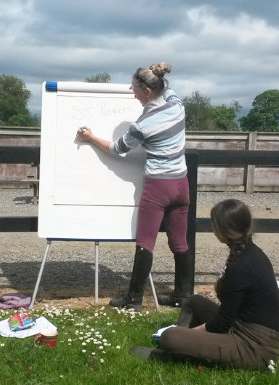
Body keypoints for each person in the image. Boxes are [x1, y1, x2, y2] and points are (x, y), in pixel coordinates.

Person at [76, 62, 192, 310]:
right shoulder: (177, 104)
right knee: (180, 243)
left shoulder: (142, 125)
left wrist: (90, 137)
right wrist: (152, 73)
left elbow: (117, 148)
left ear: (147, 92)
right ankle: (183, 296)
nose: (132, 92)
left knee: (145, 243)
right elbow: (167, 88)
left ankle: (133, 300)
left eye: (135, 89)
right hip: (181, 184)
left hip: (158, 187)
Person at [131, 199, 279, 370]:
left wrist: (189, 334)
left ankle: (174, 348)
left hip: (255, 348)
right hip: (244, 329)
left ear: (222, 231)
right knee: (193, 302)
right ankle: (180, 347)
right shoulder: (252, 253)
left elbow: (222, 324)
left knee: (169, 337)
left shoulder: (241, 265)